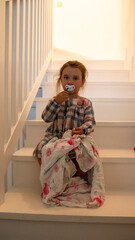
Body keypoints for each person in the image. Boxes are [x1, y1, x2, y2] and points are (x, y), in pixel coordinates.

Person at [33, 60, 96, 178]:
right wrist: (56, 102)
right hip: (55, 137)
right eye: (66, 77)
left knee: (84, 152)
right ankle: (49, 177)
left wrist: (83, 129)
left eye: (75, 78)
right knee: (41, 148)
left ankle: (76, 178)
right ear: (61, 80)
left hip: (75, 138)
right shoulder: (56, 100)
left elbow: (90, 121)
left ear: (82, 82)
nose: (70, 81)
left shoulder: (85, 102)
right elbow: (46, 118)